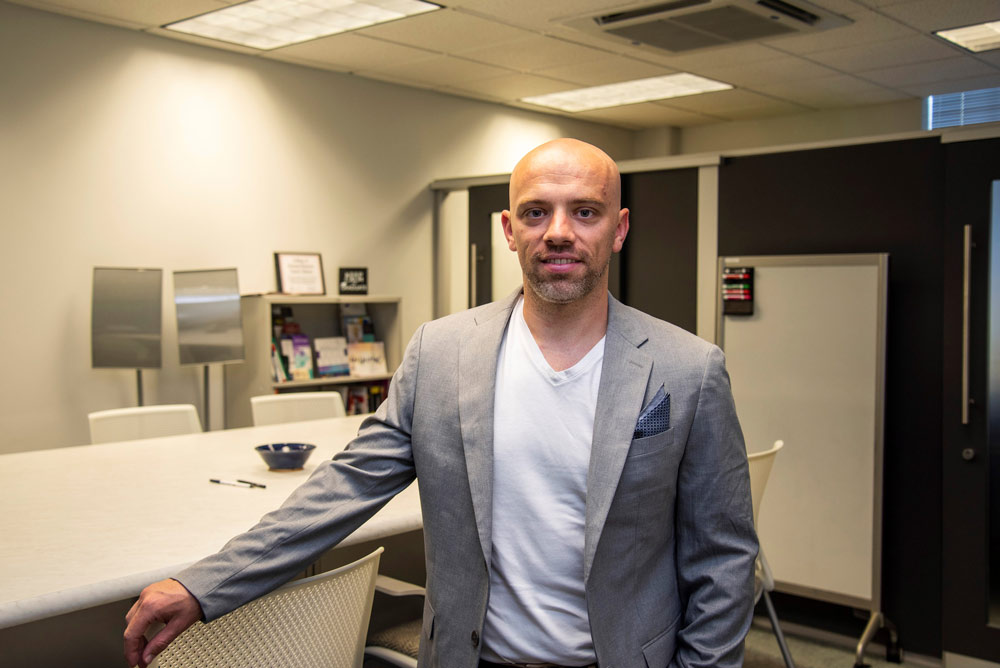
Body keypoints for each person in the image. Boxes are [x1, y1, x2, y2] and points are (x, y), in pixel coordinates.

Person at [124, 138, 757, 668]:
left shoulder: (687, 370)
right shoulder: (442, 353)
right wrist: (203, 583)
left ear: (618, 230)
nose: (558, 233)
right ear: (509, 231)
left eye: (584, 212)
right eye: (536, 213)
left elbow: (722, 557)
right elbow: (346, 486)